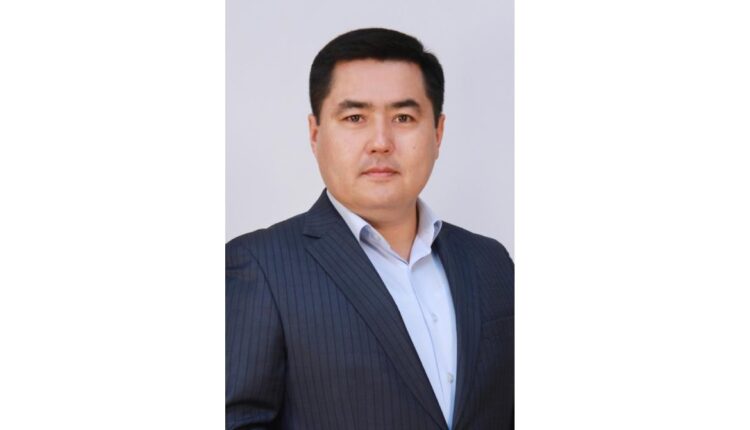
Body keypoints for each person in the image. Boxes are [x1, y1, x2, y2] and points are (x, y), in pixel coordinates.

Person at [226, 28, 514, 430]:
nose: (381, 142)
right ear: (315, 134)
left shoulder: (490, 262)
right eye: (355, 118)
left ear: (438, 133)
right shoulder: (258, 267)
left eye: (403, 118)